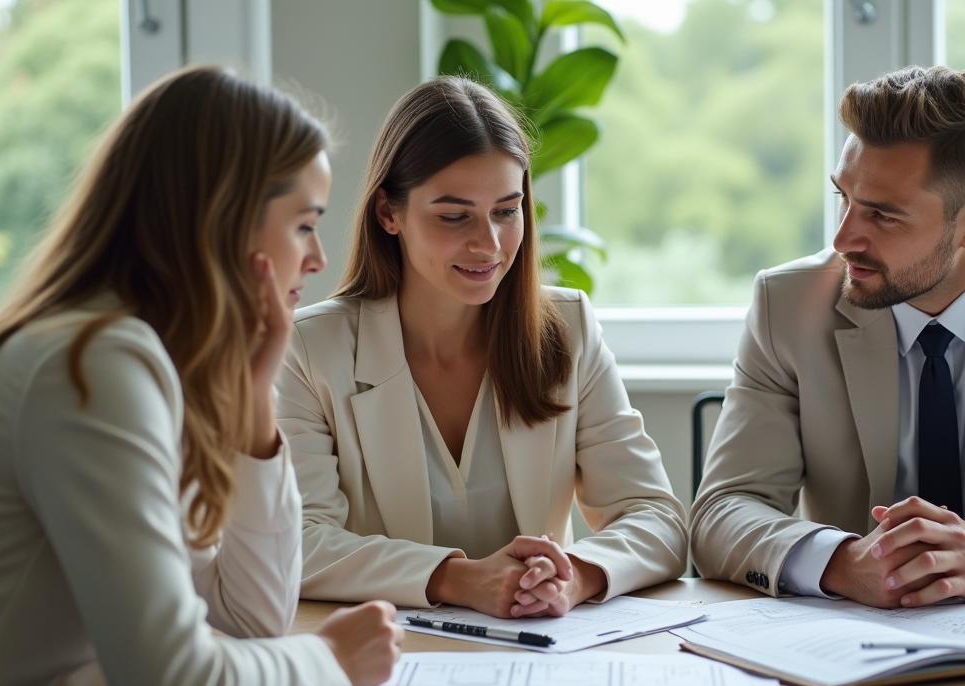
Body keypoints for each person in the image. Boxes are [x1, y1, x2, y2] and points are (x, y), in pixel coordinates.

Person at [0, 66, 403, 686]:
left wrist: (257, 402)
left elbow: (250, 620)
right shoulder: (94, 367)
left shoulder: (127, 352)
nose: (316, 259)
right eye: (306, 224)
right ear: (225, 220)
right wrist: (330, 663)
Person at [691, 65, 965, 609]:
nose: (842, 239)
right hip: (853, 638)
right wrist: (840, 561)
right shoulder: (786, 306)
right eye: (844, 198)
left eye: (882, 214)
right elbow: (724, 509)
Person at [276, 76, 687, 619]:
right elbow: (295, 542)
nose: (488, 244)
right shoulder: (309, 349)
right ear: (388, 214)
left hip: (540, 654)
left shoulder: (569, 328)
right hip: (391, 656)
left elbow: (655, 516)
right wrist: (460, 579)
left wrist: (571, 578)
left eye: (506, 210)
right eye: (454, 216)